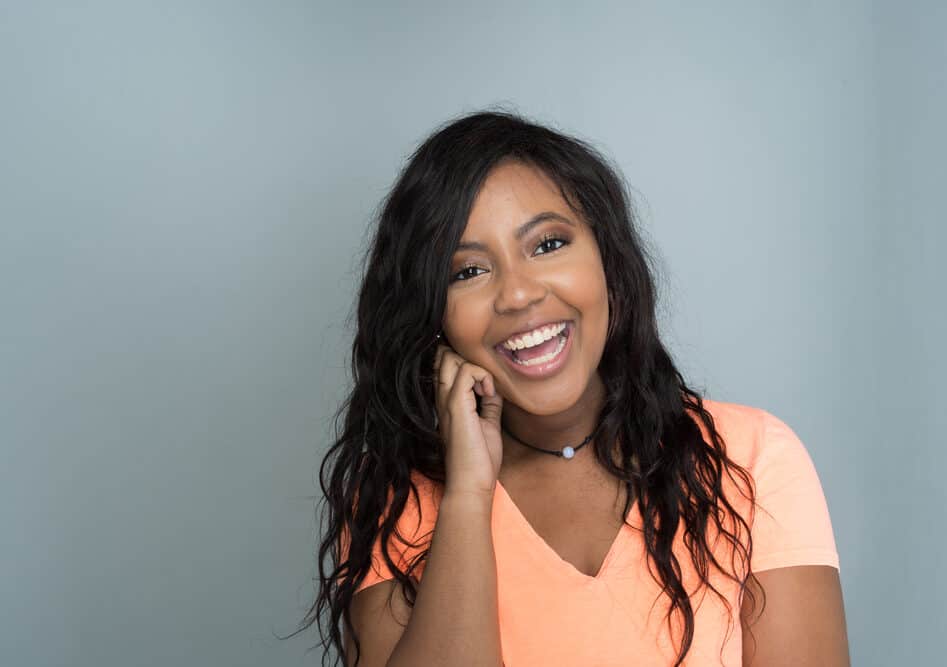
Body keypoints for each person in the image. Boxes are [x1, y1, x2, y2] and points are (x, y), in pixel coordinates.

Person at [292, 110, 850, 666]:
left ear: (607, 258)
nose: (518, 295)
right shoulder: (398, 501)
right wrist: (467, 494)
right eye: (467, 272)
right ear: (434, 320)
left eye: (547, 245)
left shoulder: (751, 460)